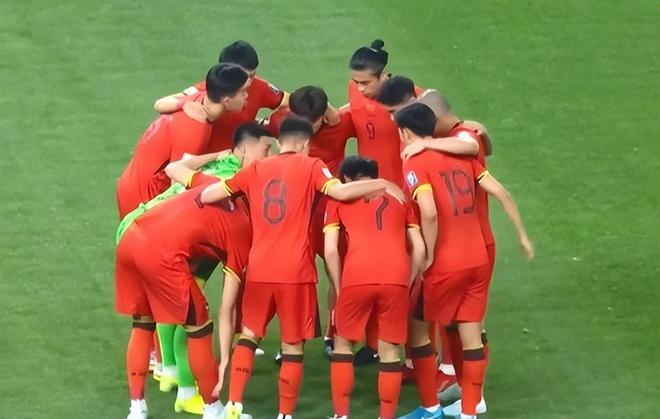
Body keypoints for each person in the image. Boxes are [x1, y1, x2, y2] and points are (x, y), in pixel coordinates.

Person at [200, 115, 406, 419]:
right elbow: (339, 192)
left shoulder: (255, 169)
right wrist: (382, 182)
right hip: (295, 271)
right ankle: (285, 414)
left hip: (259, 268)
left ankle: (234, 404)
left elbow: (208, 195)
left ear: (279, 142)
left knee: (249, 334)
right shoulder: (311, 166)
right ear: (306, 144)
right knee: (292, 345)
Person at [115, 122, 272, 416]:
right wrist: (225, 357)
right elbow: (228, 306)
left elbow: (176, 169)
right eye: (266, 149)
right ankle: (213, 408)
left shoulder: (213, 181)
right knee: (199, 328)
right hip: (162, 255)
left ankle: (137, 408)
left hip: (131, 236)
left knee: (143, 323)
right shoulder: (242, 228)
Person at [394, 103, 533, 419]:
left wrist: (429, 253)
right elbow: (501, 191)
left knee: (417, 330)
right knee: (471, 337)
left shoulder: (414, 161)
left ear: (404, 132)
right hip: (477, 259)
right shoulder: (462, 156)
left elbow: (429, 211)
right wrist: (522, 235)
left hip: (445, 264)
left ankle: (430, 408)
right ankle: (470, 411)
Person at [376, 75, 494, 391]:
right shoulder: (457, 137)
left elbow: (471, 143)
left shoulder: (455, 139)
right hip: (466, 240)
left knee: (459, 319)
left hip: (461, 241)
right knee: (456, 319)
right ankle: (463, 387)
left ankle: (458, 384)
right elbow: (480, 146)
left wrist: (425, 143)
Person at [324, 156, 425, 419]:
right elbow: (419, 248)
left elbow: (331, 250)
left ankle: (341, 415)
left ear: (347, 179)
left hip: (357, 275)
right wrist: (409, 279)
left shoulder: (339, 200)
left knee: (343, 346)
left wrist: (338, 286)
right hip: (396, 277)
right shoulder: (400, 198)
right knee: (390, 350)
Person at [264, 86, 355, 359]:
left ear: (322, 116)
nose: (305, 129)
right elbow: (252, 131)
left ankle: (334, 332)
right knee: (291, 279)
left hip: (331, 214)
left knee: (337, 273)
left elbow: (367, 113)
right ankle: (288, 340)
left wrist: (334, 111)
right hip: (295, 216)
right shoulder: (281, 122)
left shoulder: (340, 124)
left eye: (311, 123)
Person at [153, 40, 340, 151]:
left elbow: (290, 100)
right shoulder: (208, 91)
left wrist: (323, 106)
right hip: (207, 164)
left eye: (252, 75)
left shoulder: (258, 86)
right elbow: (160, 104)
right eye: (245, 76)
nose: (249, 82)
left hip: (238, 160)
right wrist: (185, 103)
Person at [116, 63, 249, 218]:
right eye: (243, 92)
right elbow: (177, 184)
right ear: (226, 100)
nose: (247, 96)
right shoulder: (195, 129)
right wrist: (218, 156)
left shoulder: (198, 99)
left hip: (131, 182)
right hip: (143, 197)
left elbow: (159, 104)